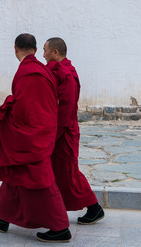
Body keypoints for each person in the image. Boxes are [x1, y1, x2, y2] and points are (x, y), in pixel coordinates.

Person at [0, 33, 71, 243]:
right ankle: (2, 217)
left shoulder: (28, 73)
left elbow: (27, 111)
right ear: (34, 49)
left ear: (15, 49)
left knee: (42, 181)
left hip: (34, 136)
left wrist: (8, 112)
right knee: (14, 176)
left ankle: (61, 228)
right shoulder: (38, 69)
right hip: (41, 130)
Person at [43, 37, 104, 224]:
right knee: (59, 173)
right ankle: (52, 210)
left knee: (69, 173)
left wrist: (53, 136)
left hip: (64, 133)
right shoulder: (59, 71)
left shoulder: (66, 74)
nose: (43, 54)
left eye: (45, 50)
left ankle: (94, 208)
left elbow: (65, 109)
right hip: (59, 131)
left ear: (55, 53)